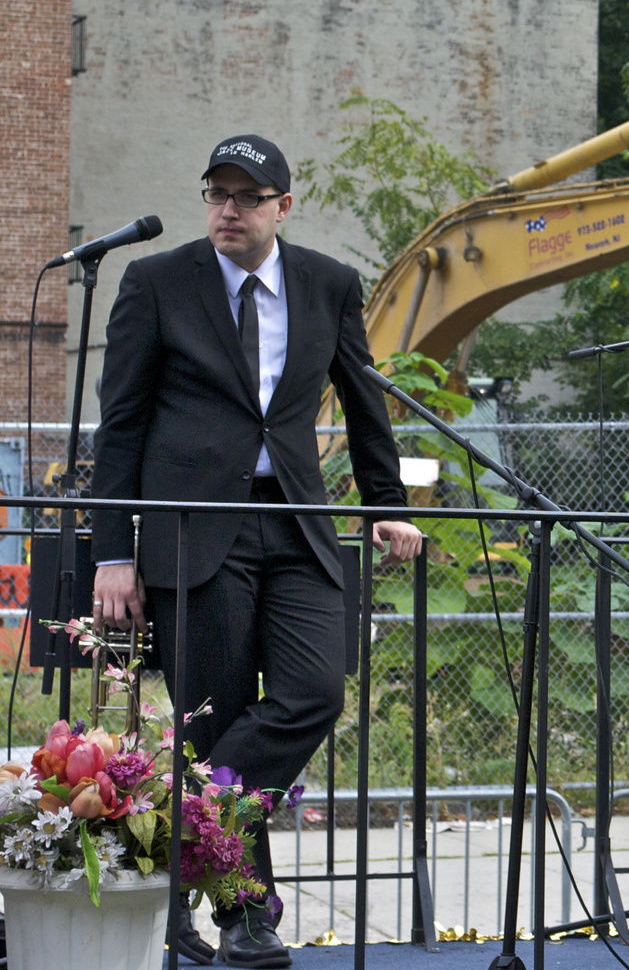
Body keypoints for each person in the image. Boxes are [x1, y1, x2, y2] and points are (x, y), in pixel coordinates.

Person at [90, 135, 422, 969]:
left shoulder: (328, 284)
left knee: (314, 693)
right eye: (216, 193)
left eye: (247, 196)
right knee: (217, 716)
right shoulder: (157, 282)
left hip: (296, 522)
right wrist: (111, 554)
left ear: (283, 204)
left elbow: (363, 399)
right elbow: (121, 424)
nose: (227, 210)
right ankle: (245, 917)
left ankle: (174, 835)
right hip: (194, 530)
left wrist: (385, 504)